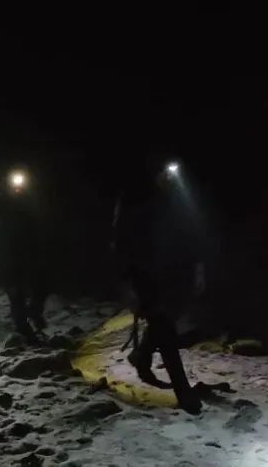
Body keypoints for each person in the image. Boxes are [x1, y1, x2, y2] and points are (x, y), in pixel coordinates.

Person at [111, 156, 210, 414]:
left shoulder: (174, 197)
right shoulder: (132, 199)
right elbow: (121, 240)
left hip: (174, 271)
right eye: (163, 173)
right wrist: (127, 280)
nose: (168, 177)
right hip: (144, 273)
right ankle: (183, 391)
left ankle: (142, 355)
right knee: (164, 328)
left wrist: (197, 267)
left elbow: (190, 230)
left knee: (165, 322)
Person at [0, 164, 52, 342]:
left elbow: (36, 227)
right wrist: (1, 261)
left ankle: (34, 313)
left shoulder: (25, 203)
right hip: (10, 258)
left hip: (28, 254)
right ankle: (23, 330)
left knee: (41, 286)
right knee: (16, 295)